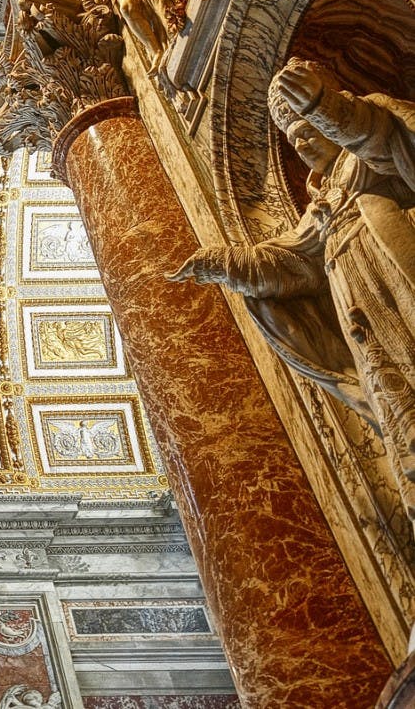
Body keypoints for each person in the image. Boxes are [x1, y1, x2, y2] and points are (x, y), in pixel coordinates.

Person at [172, 58, 415, 523]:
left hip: (398, 267)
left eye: (307, 129)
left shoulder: (371, 143)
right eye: (293, 138)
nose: (301, 142)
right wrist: (226, 265)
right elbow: (295, 262)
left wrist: (326, 107)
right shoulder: (320, 202)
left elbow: (389, 141)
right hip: (360, 305)